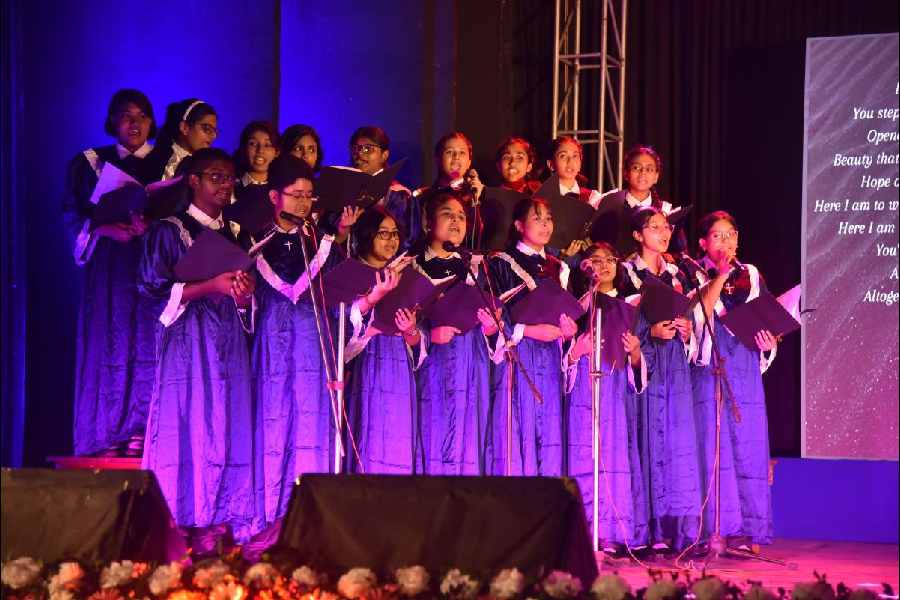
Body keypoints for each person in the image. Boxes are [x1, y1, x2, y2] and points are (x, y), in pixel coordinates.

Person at [138, 147, 259, 551]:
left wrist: (242, 294)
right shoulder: (169, 230)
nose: (225, 186)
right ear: (193, 180)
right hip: (188, 345)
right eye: (215, 177)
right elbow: (152, 293)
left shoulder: (238, 232)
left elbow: (245, 299)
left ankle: (220, 524)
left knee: (228, 423)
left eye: (229, 179)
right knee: (191, 423)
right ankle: (183, 523)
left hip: (229, 343)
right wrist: (209, 286)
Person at [250, 155, 359, 527]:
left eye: (309, 196)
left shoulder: (323, 245)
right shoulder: (253, 242)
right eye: (295, 194)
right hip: (269, 348)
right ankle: (268, 514)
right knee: (272, 421)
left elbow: (345, 298)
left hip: (314, 348)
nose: (303, 203)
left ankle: (309, 516)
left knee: (312, 422)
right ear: (273, 197)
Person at [66, 88, 162, 457]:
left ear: (151, 122)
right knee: (111, 338)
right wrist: (104, 229)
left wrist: (149, 223)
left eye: (141, 115)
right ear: (112, 122)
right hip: (109, 268)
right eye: (125, 115)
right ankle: (106, 432)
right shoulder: (89, 163)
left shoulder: (167, 165)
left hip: (152, 263)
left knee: (149, 342)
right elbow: (72, 215)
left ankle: (145, 430)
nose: (133, 123)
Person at [690, 210, 777, 548]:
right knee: (713, 446)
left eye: (730, 235)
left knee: (748, 446)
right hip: (708, 363)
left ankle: (750, 531)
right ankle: (714, 530)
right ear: (703, 243)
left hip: (743, 363)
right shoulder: (692, 272)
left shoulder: (752, 275)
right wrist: (720, 277)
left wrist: (768, 344)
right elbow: (697, 318)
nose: (725, 242)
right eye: (717, 236)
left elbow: (764, 315)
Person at [621, 207, 701, 554]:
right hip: (644, 362)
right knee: (648, 438)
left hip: (675, 366)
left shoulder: (678, 273)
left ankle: (677, 528)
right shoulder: (626, 273)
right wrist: (649, 331)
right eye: (654, 227)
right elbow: (619, 322)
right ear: (638, 235)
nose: (663, 232)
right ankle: (649, 527)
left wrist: (686, 331)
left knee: (676, 440)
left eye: (665, 226)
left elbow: (689, 319)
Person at [565, 242, 649, 554]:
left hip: (614, 394)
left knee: (613, 459)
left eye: (611, 259)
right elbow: (565, 356)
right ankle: (584, 534)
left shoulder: (630, 310)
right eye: (596, 260)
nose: (605, 265)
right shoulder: (576, 307)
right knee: (584, 458)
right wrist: (575, 353)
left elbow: (640, 372)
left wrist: (636, 353)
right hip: (584, 392)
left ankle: (613, 533)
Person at [487, 197, 578, 476]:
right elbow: (495, 318)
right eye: (537, 218)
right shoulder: (502, 262)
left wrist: (568, 330)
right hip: (517, 355)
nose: (545, 224)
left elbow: (566, 311)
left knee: (549, 438)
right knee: (517, 432)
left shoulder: (559, 267)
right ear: (518, 225)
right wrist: (527, 330)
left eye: (548, 218)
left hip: (550, 357)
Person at [413, 189, 496, 475]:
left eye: (461, 216)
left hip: (471, 365)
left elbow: (498, 326)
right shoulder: (412, 267)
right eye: (447, 214)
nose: (456, 221)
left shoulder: (476, 268)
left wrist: (491, 327)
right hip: (428, 370)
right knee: (430, 440)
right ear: (428, 222)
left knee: (468, 442)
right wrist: (427, 335)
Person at [344, 206, 424, 474]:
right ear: (367, 237)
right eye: (383, 234)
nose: (391, 240)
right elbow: (338, 330)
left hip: (399, 371)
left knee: (398, 440)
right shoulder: (350, 274)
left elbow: (418, 343)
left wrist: (411, 330)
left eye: (395, 234)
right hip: (364, 368)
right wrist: (369, 316)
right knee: (367, 436)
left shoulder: (408, 278)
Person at [592, 145, 678, 256]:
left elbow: (678, 252)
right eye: (636, 168)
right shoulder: (610, 203)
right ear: (626, 173)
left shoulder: (665, 211)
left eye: (649, 169)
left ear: (656, 176)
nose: (643, 173)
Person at [410, 132, 485, 247]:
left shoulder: (480, 195)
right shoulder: (422, 197)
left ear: (469, 162)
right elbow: (414, 239)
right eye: (449, 152)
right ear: (438, 159)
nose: (456, 157)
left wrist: (474, 201)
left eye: (462, 152)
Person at [348, 126, 411, 245]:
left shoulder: (397, 195)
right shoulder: (345, 189)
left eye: (368, 149)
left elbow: (405, 238)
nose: (360, 154)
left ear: (384, 155)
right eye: (356, 149)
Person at [152, 98, 218, 181]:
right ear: (184, 128)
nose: (213, 136)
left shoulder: (207, 165)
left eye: (215, 131)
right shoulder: (160, 161)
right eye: (207, 129)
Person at [233, 120, 280, 202]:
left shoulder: (282, 191)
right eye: (253, 144)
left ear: (277, 153)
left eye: (267, 145)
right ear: (244, 148)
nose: (260, 150)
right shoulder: (230, 187)